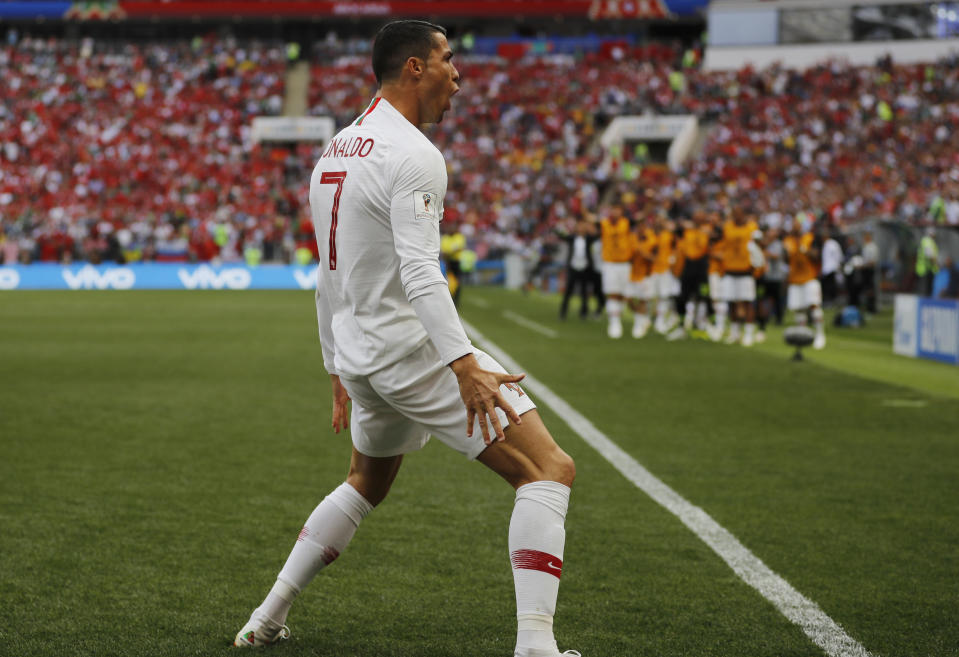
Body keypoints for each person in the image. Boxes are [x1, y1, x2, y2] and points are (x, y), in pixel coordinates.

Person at [233, 21, 578, 657]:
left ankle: (267, 615)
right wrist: (465, 363)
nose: (459, 74)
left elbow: (326, 276)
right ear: (415, 68)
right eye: (449, 59)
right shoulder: (414, 153)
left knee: (367, 480)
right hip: (407, 351)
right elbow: (422, 273)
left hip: (362, 355)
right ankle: (536, 646)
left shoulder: (336, 148)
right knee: (547, 470)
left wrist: (336, 368)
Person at [783, 219, 826, 350]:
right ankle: (803, 336)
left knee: (814, 306)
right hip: (795, 278)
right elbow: (785, 259)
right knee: (798, 309)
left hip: (809, 277)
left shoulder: (809, 238)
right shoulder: (787, 241)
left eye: (798, 226)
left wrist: (805, 250)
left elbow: (817, 256)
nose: (795, 229)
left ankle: (820, 334)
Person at [599, 204, 633, 338]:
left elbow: (641, 216)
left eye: (618, 209)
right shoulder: (604, 223)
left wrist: (649, 200)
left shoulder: (627, 223)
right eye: (613, 209)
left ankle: (618, 316)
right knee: (612, 293)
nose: (615, 211)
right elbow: (587, 218)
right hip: (610, 263)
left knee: (622, 294)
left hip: (624, 263)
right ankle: (614, 322)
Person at [558, 218, 597, 320]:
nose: (580, 228)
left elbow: (598, 235)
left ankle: (583, 312)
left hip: (585, 267)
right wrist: (561, 225)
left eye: (583, 226)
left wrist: (591, 227)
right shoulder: (572, 238)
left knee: (584, 292)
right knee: (568, 291)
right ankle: (563, 312)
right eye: (579, 226)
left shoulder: (588, 238)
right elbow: (560, 234)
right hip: (573, 267)